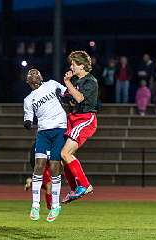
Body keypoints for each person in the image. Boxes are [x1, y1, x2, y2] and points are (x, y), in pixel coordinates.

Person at [23, 68, 67, 222]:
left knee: (55, 166)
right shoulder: (28, 99)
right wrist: (27, 123)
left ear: (41, 76)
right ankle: (35, 205)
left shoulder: (52, 84)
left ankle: (55, 206)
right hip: (43, 132)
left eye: (36, 73)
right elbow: (28, 117)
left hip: (59, 129)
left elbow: (67, 93)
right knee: (39, 165)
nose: (34, 75)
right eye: (31, 75)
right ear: (28, 81)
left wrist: (68, 96)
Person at [60, 50, 98, 204]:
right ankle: (76, 188)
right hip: (74, 118)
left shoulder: (90, 81)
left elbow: (80, 98)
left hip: (85, 119)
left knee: (65, 153)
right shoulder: (77, 81)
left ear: (82, 65)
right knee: (64, 158)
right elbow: (72, 100)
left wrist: (67, 83)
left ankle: (85, 185)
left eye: (73, 64)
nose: (71, 66)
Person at [24, 142, 52, 211]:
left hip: (39, 165)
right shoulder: (47, 142)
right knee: (49, 185)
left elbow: (32, 157)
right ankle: (49, 205)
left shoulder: (38, 142)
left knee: (42, 183)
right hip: (44, 165)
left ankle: (31, 182)